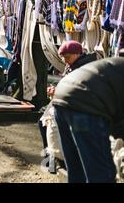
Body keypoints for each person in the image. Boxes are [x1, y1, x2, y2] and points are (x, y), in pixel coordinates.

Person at [52, 56, 124, 183]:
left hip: (61, 97)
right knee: (101, 174)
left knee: (76, 171)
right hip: (86, 103)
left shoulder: (116, 64)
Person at [39, 40, 97, 173]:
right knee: (43, 121)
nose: (65, 61)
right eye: (63, 57)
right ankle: (52, 155)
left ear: (77, 54)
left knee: (51, 122)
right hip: (66, 101)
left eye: (67, 57)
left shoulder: (85, 68)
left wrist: (58, 91)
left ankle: (59, 158)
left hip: (80, 106)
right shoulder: (73, 65)